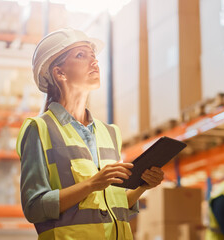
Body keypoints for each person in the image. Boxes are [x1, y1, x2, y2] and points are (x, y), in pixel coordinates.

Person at [16, 28, 164, 240]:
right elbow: (34, 207)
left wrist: (142, 187)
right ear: (60, 73)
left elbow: (113, 203)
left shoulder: (110, 133)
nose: (94, 62)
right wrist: (92, 184)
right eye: (81, 56)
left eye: (93, 56)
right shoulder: (39, 129)